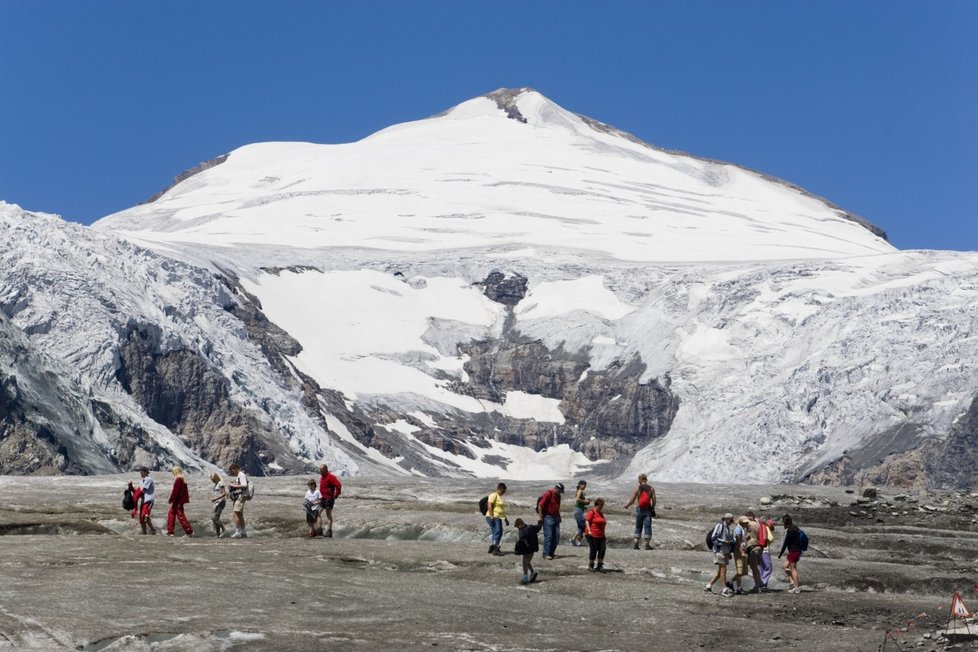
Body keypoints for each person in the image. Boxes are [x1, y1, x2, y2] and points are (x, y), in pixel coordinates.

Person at [704, 513, 735, 597]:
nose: (732, 522)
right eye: (731, 520)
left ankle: (708, 586)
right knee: (723, 569)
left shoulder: (727, 528)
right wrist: (724, 542)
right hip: (719, 551)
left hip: (724, 551)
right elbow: (714, 537)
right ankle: (724, 589)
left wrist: (729, 552)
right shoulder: (720, 525)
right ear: (726, 519)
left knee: (720, 571)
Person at [623, 473, 656, 550]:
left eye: (639, 479)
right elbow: (654, 500)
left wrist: (627, 505)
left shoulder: (637, 488)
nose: (638, 481)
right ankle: (647, 545)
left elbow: (633, 499)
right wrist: (653, 508)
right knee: (647, 526)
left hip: (639, 509)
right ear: (646, 480)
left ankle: (636, 544)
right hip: (648, 509)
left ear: (641, 480)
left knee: (638, 526)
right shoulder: (651, 488)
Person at [537, 482, 564, 560]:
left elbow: (557, 507)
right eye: (560, 491)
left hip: (555, 517)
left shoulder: (558, 496)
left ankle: (551, 553)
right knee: (549, 536)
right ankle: (546, 554)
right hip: (548, 517)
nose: (560, 493)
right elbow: (540, 505)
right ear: (556, 488)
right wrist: (540, 517)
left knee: (557, 535)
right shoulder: (548, 494)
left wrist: (559, 516)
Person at [166, 466, 194, 537]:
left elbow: (176, 492)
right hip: (179, 501)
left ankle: (189, 531)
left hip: (177, 501)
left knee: (179, 516)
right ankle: (171, 531)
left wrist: (171, 499)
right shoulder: (182, 479)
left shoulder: (178, 480)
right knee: (172, 514)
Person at [779, 514, 803, 593]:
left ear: (785, 522)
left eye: (783, 521)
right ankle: (792, 583)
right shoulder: (795, 528)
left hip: (794, 551)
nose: (782, 523)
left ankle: (796, 588)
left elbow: (786, 543)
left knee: (793, 569)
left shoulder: (790, 530)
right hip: (795, 551)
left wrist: (780, 554)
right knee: (785, 566)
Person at [317, 464, 342, 538]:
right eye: (320, 470)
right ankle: (319, 530)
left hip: (329, 498)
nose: (320, 472)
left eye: (321, 470)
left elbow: (338, 485)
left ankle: (329, 531)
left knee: (328, 514)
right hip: (322, 498)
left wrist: (336, 494)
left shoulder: (331, 477)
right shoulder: (322, 477)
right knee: (317, 512)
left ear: (325, 469)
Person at [514, 518, 541, 584]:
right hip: (533, 549)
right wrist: (540, 522)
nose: (518, 528)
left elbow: (522, 539)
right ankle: (532, 572)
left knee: (524, 563)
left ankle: (525, 577)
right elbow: (539, 527)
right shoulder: (531, 527)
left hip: (527, 549)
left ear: (519, 524)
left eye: (517, 527)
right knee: (528, 562)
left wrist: (517, 549)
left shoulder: (522, 531)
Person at [584, 497, 608, 572]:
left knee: (602, 549)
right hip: (592, 534)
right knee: (593, 550)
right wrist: (589, 530)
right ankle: (591, 565)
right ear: (596, 505)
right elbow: (587, 521)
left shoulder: (600, 513)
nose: (601, 507)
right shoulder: (592, 512)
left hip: (601, 535)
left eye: (602, 506)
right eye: (601, 506)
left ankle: (600, 565)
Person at [742, 511, 764, 593]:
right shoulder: (758, 523)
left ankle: (757, 587)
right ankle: (759, 584)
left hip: (752, 548)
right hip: (759, 547)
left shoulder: (749, 525)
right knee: (755, 568)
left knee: (754, 568)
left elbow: (746, 537)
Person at [485, 482, 509, 555]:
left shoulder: (498, 496)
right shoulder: (493, 495)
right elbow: (489, 504)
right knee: (497, 531)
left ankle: (493, 547)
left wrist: (505, 519)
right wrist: (491, 516)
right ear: (500, 489)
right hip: (493, 516)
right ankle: (495, 549)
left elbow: (500, 509)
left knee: (497, 532)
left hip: (498, 517)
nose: (504, 493)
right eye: (504, 491)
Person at [227, 463, 249, 538]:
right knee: (239, 514)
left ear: (235, 469)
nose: (232, 473)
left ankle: (238, 532)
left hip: (241, 496)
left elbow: (244, 485)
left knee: (235, 513)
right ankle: (243, 532)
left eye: (232, 471)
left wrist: (234, 485)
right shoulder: (239, 476)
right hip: (240, 496)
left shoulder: (241, 475)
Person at [135, 465, 157, 535]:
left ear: (146, 472)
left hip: (148, 500)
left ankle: (153, 530)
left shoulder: (149, 479)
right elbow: (138, 491)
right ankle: (144, 533)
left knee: (145, 516)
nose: (141, 474)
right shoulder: (141, 481)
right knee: (141, 519)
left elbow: (142, 490)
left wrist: (135, 498)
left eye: (142, 472)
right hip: (143, 501)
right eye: (140, 472)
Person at [571, 480, 590, 547]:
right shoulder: (580, 491)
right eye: (584, 485)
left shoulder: (579, 491)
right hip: (578, 511)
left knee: (580, 527)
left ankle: (575, 540)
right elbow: (577, 499)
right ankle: (577, 540)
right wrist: (585, 501)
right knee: (584, 526)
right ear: (580, 485)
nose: (585, 487)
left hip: (579, 511)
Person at [759, 518, 776, 590]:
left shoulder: (761, 528)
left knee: (761, 568)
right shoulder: (766, 528)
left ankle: (761, 584)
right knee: (768, 568)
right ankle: (763, 584)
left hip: (759, 550)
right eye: (773, 525)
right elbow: (770, 538)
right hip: (765, 550)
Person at [210, 472, 227, 537]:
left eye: (213, 480)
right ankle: (218, 534)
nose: (213, 481)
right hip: (217, 503)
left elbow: (224, 493)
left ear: (216, 478)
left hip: (221, 502)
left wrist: (215, 499)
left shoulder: (220, 483)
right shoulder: (216, 484)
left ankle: (223, 529)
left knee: (215, 518)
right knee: (216, 519)